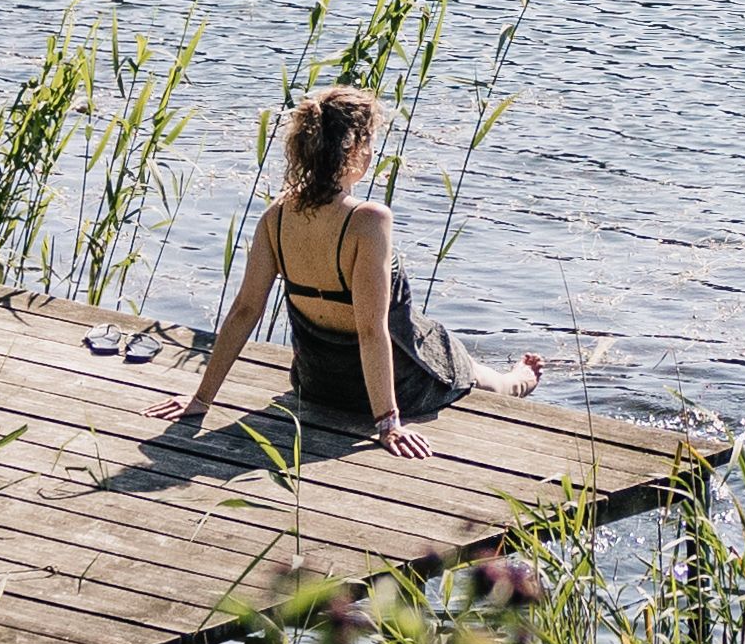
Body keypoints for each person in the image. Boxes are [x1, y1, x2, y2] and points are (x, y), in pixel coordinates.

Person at [168, 83, 527, 452]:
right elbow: (371, 330)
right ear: (354, 148)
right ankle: (517, 382)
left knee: (444, 347)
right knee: (462, 365)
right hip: (394, 388)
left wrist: (201, 399)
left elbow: (244, 310)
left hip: (315, 385)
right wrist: (388, 423)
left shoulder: (275, 216)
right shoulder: (369, 220)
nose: (372, 152)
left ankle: (512, 378)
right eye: (370, 142)